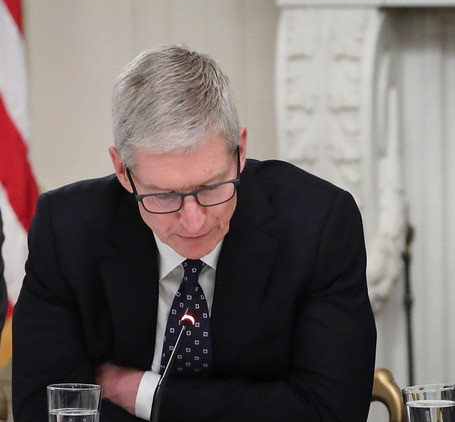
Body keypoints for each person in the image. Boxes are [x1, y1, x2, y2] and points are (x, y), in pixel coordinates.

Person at [13, 45, 377, 421]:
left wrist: (145, 394)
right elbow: (47, 410)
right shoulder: (68, 230)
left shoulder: (318, 225)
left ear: (241, 151)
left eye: (211, 187)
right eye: (164, 195)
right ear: (123, 171)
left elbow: (331, 411)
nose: (194, 221)